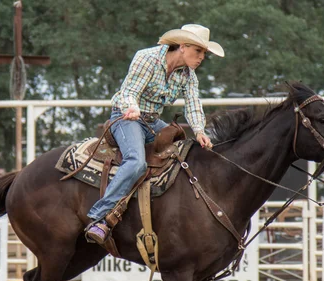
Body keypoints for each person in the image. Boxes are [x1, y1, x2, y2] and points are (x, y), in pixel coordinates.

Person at [85, 24, 225, 244]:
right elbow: (129, 92)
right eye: (198, 51)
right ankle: (99, 216)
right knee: (136, 162)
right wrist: (132, 107)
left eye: (204, 54)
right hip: (125, 116)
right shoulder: (147, 58)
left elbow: (193, 104)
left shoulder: (188, 75)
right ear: (182, 46)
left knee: (185, 152)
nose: (201, 58)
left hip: (151, 122)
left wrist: (199, 131)